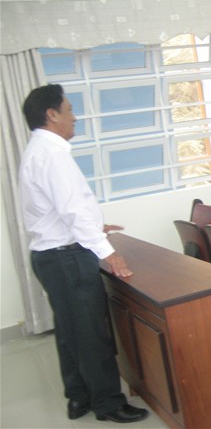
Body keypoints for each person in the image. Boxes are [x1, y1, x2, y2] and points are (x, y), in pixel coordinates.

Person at [18, 84, 149, 424]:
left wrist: (95, 228)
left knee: (69, 331)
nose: (75, 117)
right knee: (91, 333)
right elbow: (72, 208)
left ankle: (79, 397)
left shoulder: (38, 149)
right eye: (70, 109)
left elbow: (57, 209)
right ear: (52, 114)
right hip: (66, 258)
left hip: (51, 255)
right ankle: (108, 404)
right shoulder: (52, 153)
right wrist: (108, 252)